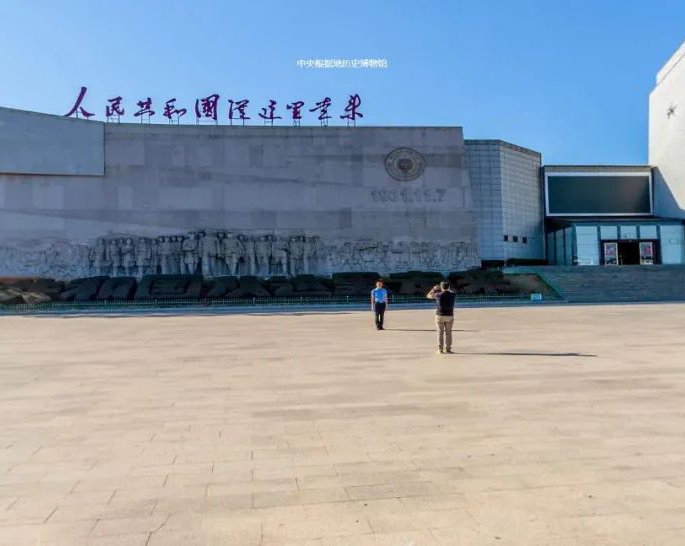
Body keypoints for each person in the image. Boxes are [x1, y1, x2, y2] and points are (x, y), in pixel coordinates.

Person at [427, 281, 456, 354]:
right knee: (448, 333)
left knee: (440, 332)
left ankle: (440, 349)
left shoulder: (438, 295)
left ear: (441, 287)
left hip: (440, 315)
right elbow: (452, 290)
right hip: (449, 316)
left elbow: (428, 296)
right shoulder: (453, 295)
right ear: (448, 287)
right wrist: (448, 288)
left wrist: (433, 289)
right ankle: (448, 349)